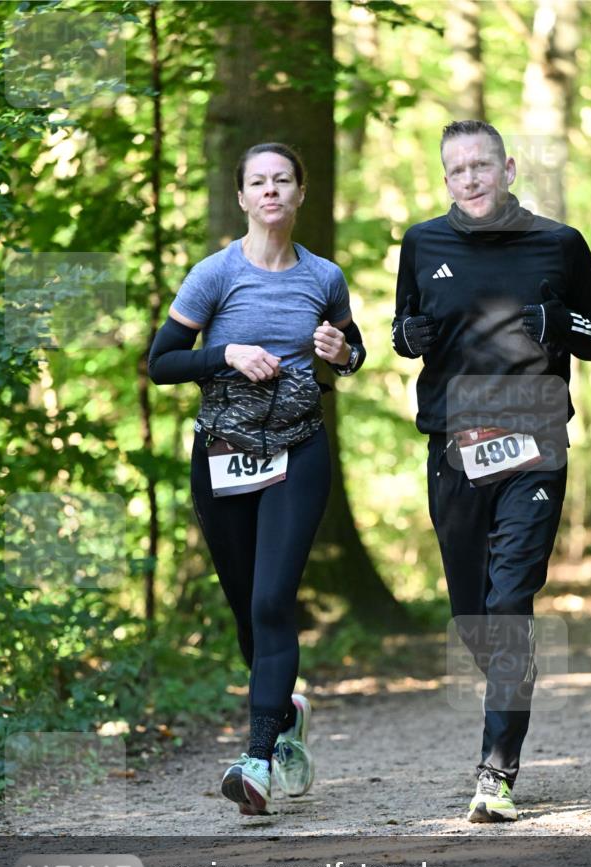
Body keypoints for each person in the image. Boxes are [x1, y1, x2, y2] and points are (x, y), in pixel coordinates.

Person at [392, 120, 591, 822]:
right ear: (445, 178)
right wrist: (406, 337)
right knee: (475, 621)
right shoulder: (422, 243)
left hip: (535, 445)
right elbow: (404, 327)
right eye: (456, 169)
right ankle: (510, 679)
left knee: (509, 604)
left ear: (506, 167)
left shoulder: (558, 243)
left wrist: (561, 325)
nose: (470, 179)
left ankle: (496, 773)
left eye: (481, 166)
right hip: (455, 448)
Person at [149, 142, 365, 816]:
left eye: (282, 181)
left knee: (273, 600)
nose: (270, 192)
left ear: (299, 194)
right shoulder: (213, 275)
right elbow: (160, 362)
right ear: (242, 197)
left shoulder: (323, 277)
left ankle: (258, 756)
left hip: (299, 452)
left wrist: (343, 352)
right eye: (257, 182)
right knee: (247, 607)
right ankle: (285, 709)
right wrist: (225, 354)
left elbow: (349, 349)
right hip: (223, 454)